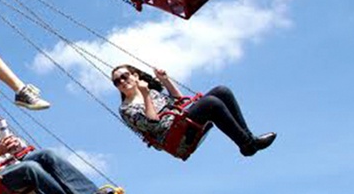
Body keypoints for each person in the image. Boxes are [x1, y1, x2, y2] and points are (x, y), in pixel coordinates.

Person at [111, 65, 276, 157]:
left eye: (124, 76)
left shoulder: (151, 92)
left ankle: (248, 140)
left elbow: (178, 101)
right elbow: (152, 123)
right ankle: (247, 144)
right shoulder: (126, 108)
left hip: (181, 123)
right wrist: (146, 94)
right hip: (173, 136)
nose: (122, 81)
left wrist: (165, 80)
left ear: (135, 75)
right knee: (211, 103)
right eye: (117, 82)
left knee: (222, 91)